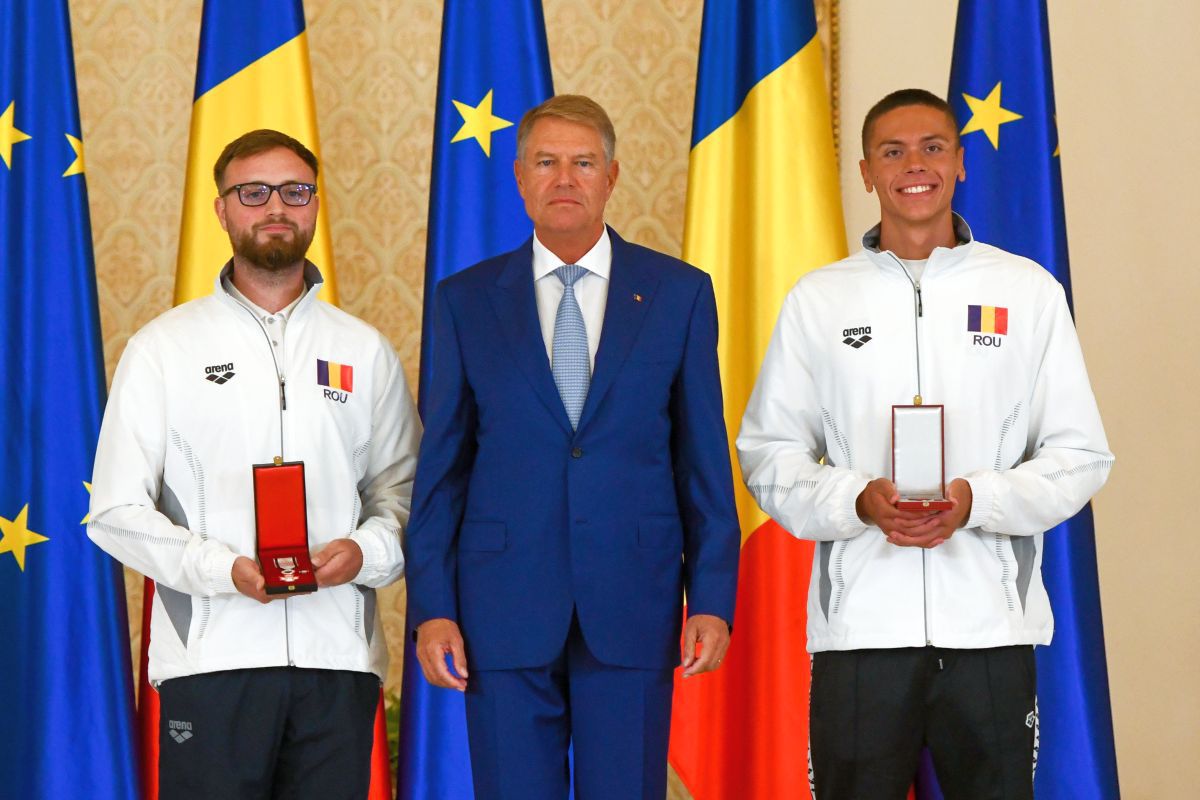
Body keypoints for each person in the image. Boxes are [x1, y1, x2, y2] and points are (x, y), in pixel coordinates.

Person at [737, 89, 1114, 800]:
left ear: (961, 163)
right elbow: (768, 452)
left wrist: (978, 500)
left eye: (933, 147)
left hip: (991, 633)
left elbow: (1080, 454)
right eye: (893, 151)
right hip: (860, 637)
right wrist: (856, 500)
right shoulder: (819, 300)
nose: (915, 165)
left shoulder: (1028, 291)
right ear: (866, 171)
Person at [404, 94, 740, 800]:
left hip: (633, 600)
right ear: (520, 178)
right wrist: (433, 605)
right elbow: (442, 474)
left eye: (583, 163)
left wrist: (710, 597)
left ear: (612, 177)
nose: (565, 179)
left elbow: (703, 462)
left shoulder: (678, 294)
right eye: (546, 162)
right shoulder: (465, 300)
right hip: (501, 608)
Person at [87, 129, 420, 799]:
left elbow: (407, 499)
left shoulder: (364, 351)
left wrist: (363, 553)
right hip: (211, 662)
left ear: (315, 205)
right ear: (222, 210)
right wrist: (221, 571)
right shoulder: (164, 349)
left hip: (338, 663)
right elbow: (115, 513)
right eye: (253, 192)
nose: (276, 207)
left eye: (295, 192)